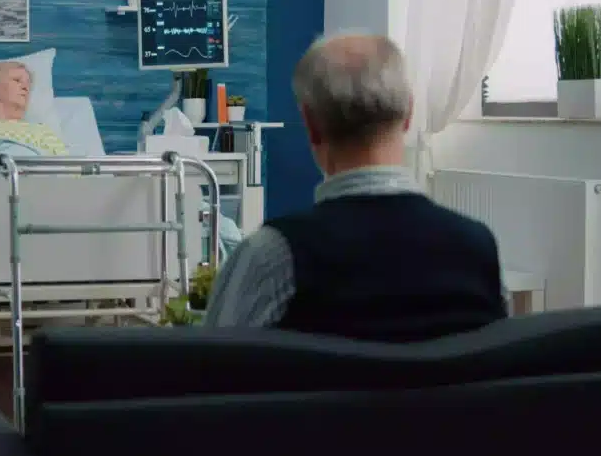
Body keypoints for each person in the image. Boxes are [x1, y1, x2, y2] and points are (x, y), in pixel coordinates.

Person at [203, 33, 508, 341]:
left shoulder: (272, 257)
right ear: (408, 114)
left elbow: (212, 363)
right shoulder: (479, 250)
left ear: (311, 125)